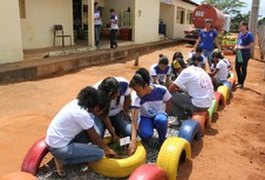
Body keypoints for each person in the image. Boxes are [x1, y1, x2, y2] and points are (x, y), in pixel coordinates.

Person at [45, 86, 117, 177]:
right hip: (59, 147)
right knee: (99, 153)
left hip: (53, 140)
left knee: (89, 138)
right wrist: (107, 149)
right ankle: (64, 160)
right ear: (96, 107)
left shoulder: (77, 103)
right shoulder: (83, 114)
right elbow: (95, 137)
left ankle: (66, 155)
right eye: (102, 110)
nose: (101, 113)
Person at [128, 68, 172, 155]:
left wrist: (166, 115)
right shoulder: (136, 96)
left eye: (139, 91)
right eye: (135, 91)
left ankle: (162, 140)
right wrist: (133, 140)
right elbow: (134, 119)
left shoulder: (161, 90)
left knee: (161, 120)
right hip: (145, 117)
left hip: (159, 115)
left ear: (146, 85)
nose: (137, 93)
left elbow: (169, 101)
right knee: (145, 134)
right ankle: (146, 139)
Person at [168, 57, 214, 124]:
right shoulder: (198, 69)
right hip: (208, 102)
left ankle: (182, 118)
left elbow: (170, 88)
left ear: (178, 69)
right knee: (183, 91)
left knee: (169, 95)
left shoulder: (185, 72)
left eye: (176, 71)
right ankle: (189, 113)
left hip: (198, 105)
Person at [233, 21, 254, 89]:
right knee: (237, 67)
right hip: (239, 54)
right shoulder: (239, 34)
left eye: (241, 26)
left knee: (243, 68)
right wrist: (236, 46)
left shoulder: (249, 34)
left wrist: (242, 47)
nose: (240, 28)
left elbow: (251, 45)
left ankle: (241, 83)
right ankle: (239, 81)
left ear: (245, 26)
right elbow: (238, 42)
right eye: (240, 26)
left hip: (245, 54)